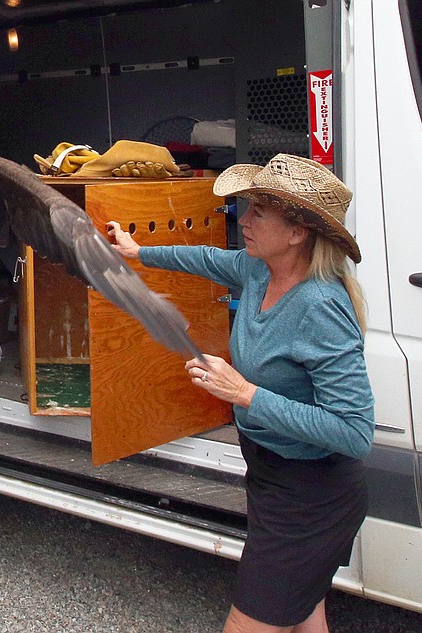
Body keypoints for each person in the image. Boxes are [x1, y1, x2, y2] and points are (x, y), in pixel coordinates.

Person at [107, 153, 374, 633]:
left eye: (258, 213)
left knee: (253, 619)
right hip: (272, 474)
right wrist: (138, 252)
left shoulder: (320, 307)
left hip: (312, 494)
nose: (243, 220)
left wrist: (245, 392)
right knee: (303, 612)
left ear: (297, 233)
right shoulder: (259, 270)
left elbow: (355, 432)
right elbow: (206, 259)